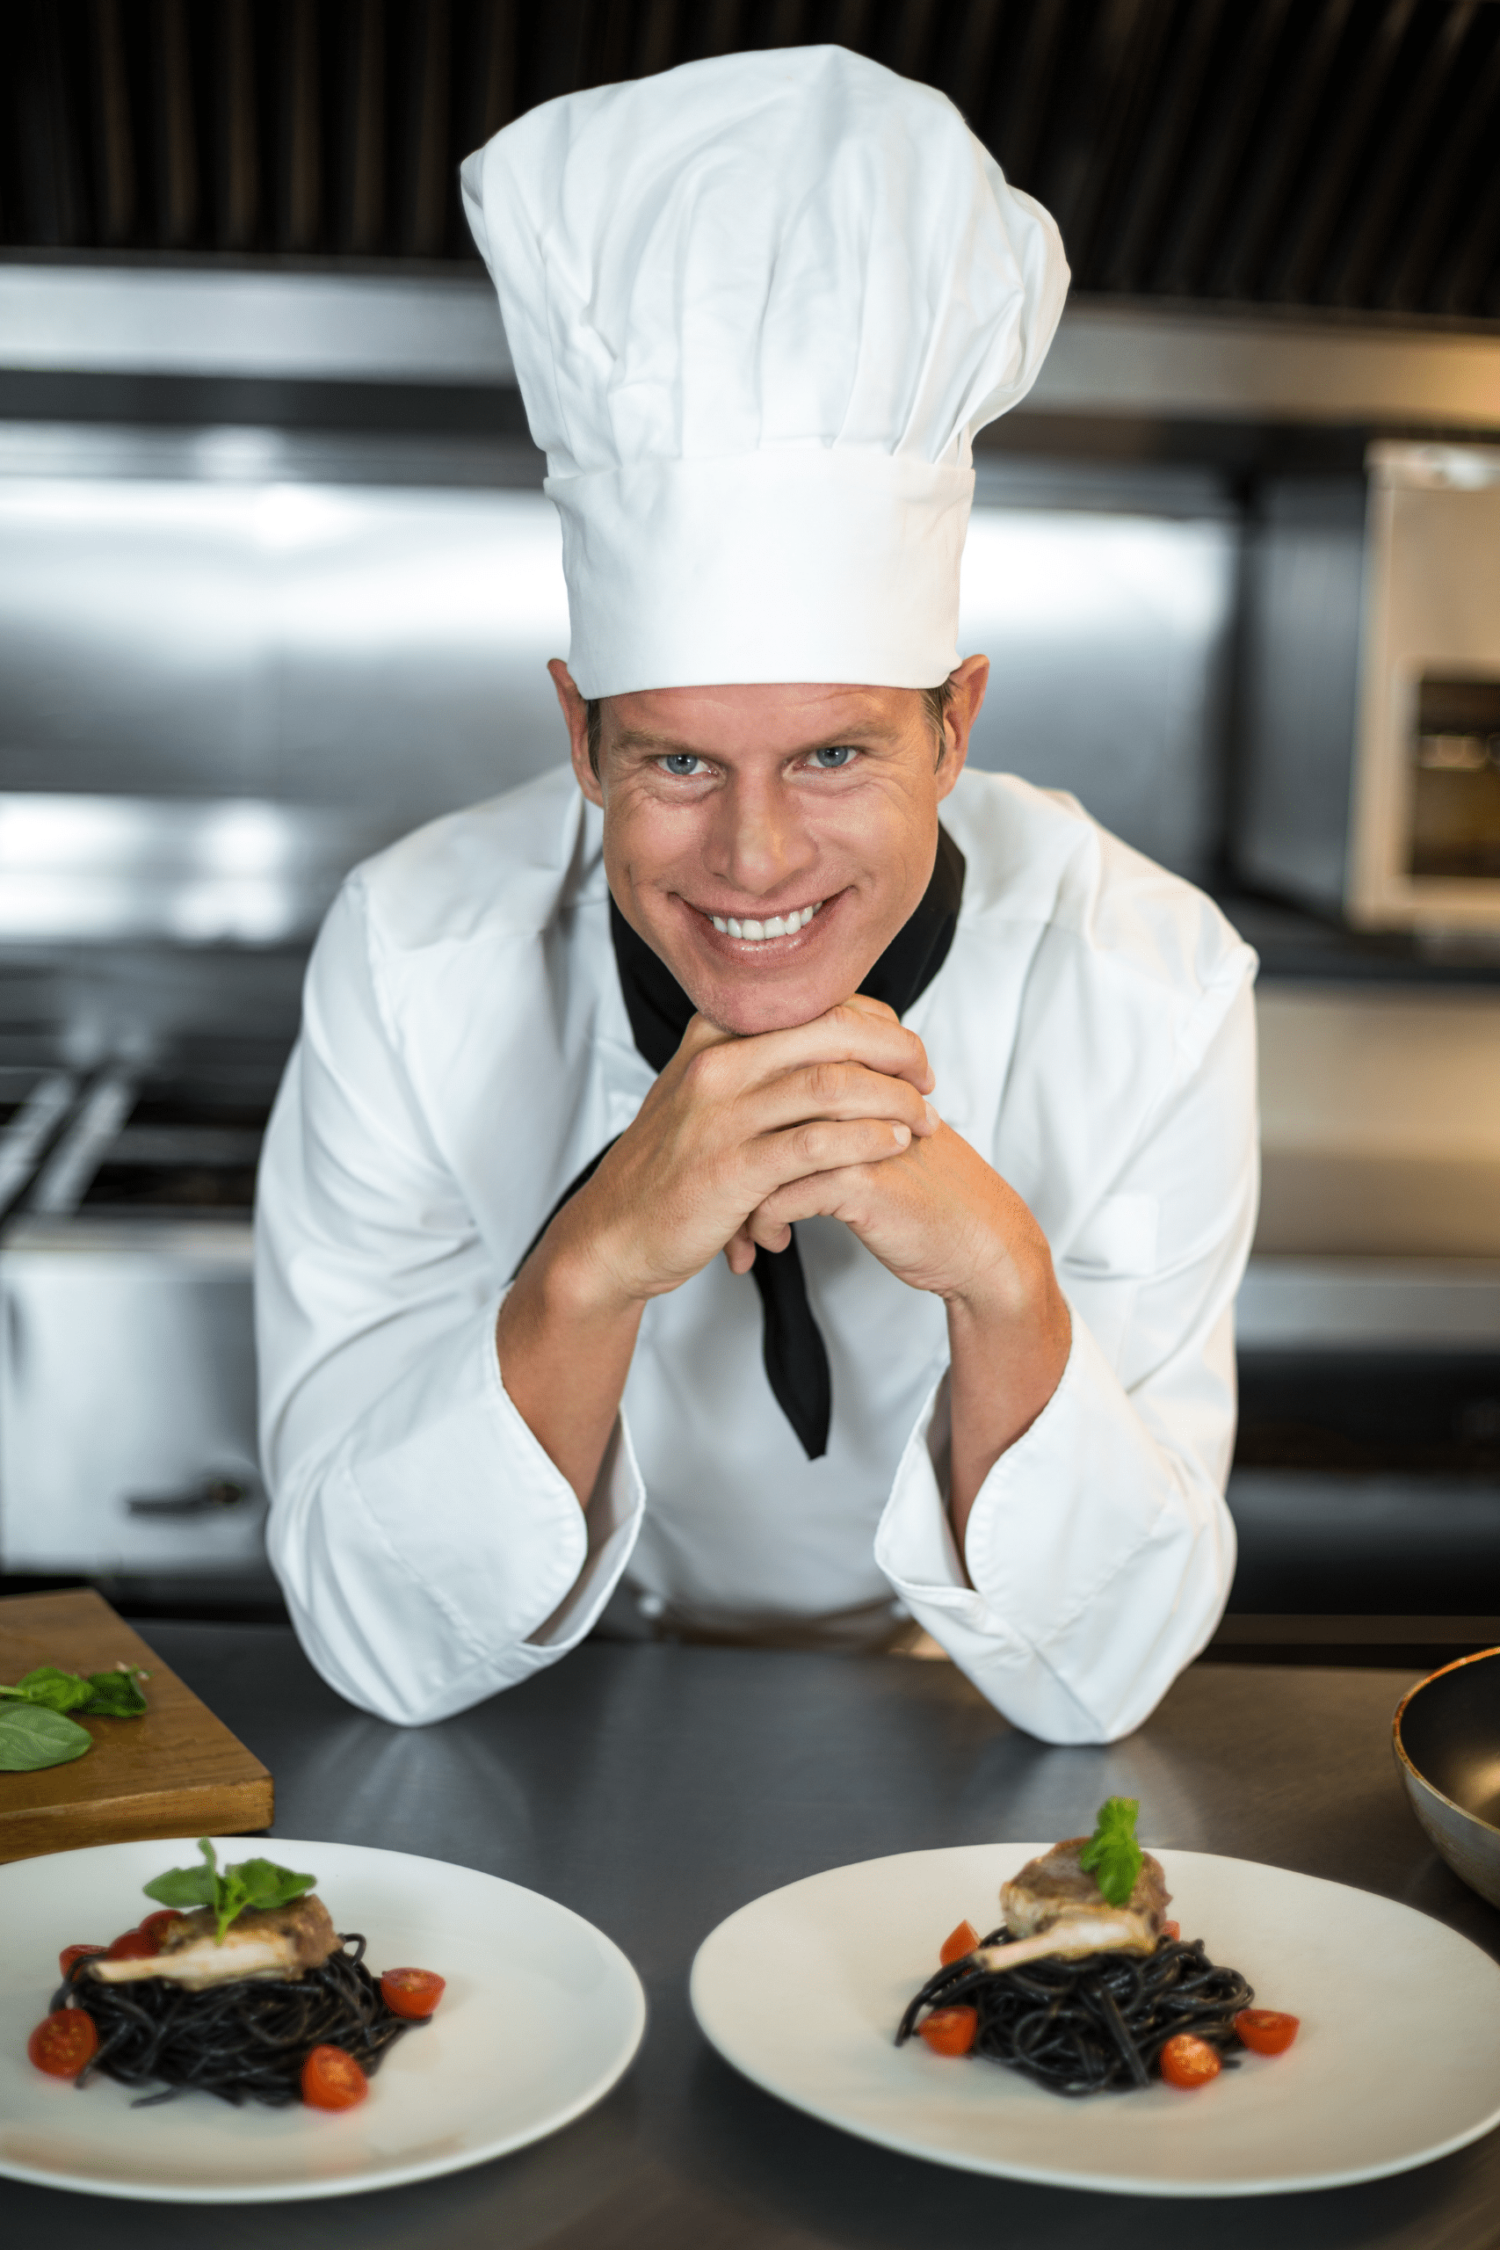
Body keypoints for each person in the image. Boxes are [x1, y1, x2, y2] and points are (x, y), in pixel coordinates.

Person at [254, 47, 1256, 1744]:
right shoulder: (415, 952)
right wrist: (591, 1262)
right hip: (549, 1706)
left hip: (956, 1733)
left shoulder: (1148, 976)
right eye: (678, 765)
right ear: (579, 733)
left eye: (838, 759)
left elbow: (1105, 1678)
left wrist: (1006, 1280)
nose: (758, 862)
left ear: (959, 723)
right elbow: (372, 1634)